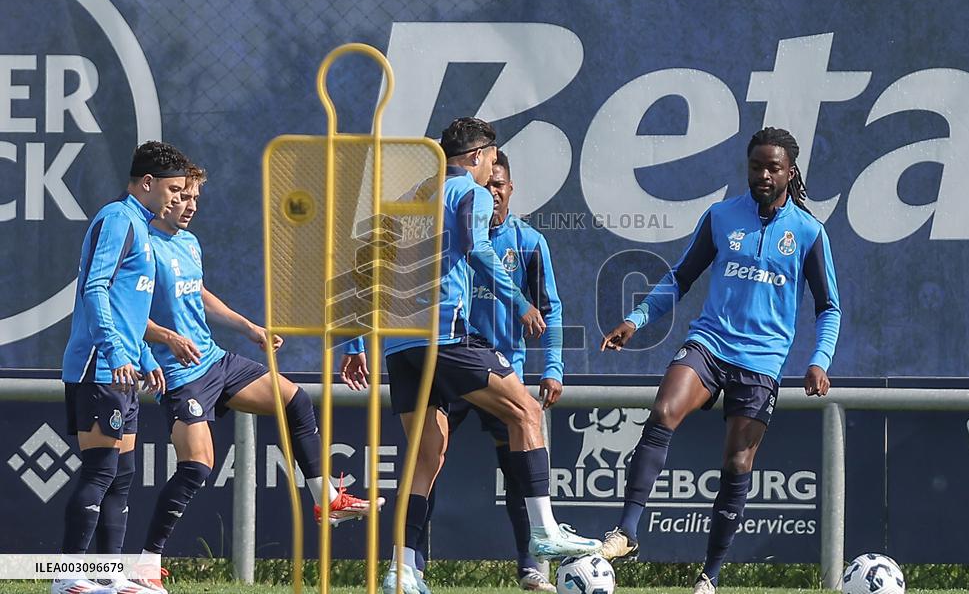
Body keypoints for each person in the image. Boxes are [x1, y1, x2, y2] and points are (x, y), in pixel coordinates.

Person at [340, 117, 599, 594]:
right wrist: (518, 301)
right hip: (448, 338)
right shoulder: (470, 192)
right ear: (479, 157)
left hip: (400, 347)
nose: (490, 173)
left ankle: (401, 569)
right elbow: (477, 247)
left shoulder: (413, 194)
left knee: (426, 456)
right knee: (526, 410)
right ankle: (544, 531)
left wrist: (352, 341)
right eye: (490, 161)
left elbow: (366, 263)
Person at [598, 127, 841, 594]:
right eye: (756, 166)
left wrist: (819, 360)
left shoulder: (809, 233)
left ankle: (709, 574)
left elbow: (828, 306)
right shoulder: (722, 216)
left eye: (773, 167)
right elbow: (680, 277)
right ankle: (626, 531)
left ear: (791, 172)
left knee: (736, 462)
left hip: (762, 361)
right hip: (710, 343)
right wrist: (635, 319)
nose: (763, 175)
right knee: (664, 411)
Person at [131, 166, 381, 594]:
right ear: (163, 195)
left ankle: (327, 501)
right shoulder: (141, 242)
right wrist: (167, 339)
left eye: (195, 199)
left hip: (216, 361)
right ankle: (145, 563)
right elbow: (129, 311)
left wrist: (250, 329)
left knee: (295, 400)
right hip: (180, 374)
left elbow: (199, 293)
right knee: (196, 468)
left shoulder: (189, 242)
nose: (190, 206)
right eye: (182, 196)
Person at [416, 150, 565, 591]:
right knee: (428, 460)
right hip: (450, 363)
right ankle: (412, 565)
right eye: (486, 185)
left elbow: (550, 308)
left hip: (502, 370)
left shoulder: (531, 243)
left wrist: (553, 366)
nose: (491, 192)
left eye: (499, 185)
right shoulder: (452, 237)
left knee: (518, 471)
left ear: (511, 189)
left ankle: (532, 566)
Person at [55, 141, 189, 594]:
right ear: (147, 184)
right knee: (99, 470)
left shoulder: (143, 228)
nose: (177, 197)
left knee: (122, 474)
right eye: (172, 189)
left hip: (126, 368)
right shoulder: (117, 219)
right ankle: (66, 579)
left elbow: (128, 307)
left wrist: (146, 356)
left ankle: (108, 577)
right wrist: (115, 353)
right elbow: (95, 289)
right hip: (100, 366)